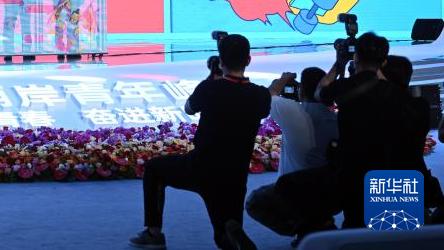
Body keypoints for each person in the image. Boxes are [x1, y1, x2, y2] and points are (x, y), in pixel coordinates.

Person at [130, 34, 270, 250]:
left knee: (154, 169)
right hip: (235, 176)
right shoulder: (260, 95)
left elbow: (189, 108)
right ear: (249, 60)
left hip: (200, 167)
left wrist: (210, 78)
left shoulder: (209, 88)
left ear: (220, 62)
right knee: (224, 237)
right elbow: (264, 101)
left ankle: (153, 233)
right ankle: (230, 232)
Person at [315, 32, 413, 228]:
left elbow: (319, 92)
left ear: (356, 57)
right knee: (393, 227)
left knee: (356, 226)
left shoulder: (344, 86)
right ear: (384, 61)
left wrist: (339, 64)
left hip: (354, 169)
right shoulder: (396, 93)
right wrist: (377, 65)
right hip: (390, 167)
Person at [245, 68, 338, 243]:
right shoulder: (337, 119)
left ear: (302, 90)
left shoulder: (293, 111)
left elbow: (268, 95)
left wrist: (284, 78)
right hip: (331, 192)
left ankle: (304, 228)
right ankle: (320, 222)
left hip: (293, 192)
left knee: (254, 202)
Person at [381, 55, 444, 223]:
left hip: (390, 180)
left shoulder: (383, 108)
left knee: (394, 230)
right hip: (414, 174)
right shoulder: (420, 105)